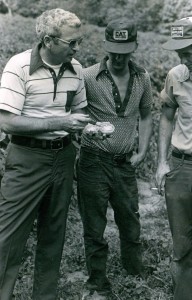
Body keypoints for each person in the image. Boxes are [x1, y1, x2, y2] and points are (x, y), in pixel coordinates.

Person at [0, 8, 91, 300]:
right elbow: (7, 121)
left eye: (79, 41)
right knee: (9, 238)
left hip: (63, 158)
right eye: (71, 43)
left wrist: (85, 125)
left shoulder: (75, 69)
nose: (77, 49)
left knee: (54, 235)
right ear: (49, 40)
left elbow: (78, 111)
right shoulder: (19, 66)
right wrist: (61, 122)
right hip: (27, 158)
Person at [78, 18, 153, 299]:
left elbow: (146, 115)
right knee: (94, 225)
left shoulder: (142, 78)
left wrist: (143, 151)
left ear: (133, 47)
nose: (119, 57)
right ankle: (97, 282)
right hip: (93, 161)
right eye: (114, 51)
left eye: (125, 51)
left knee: (130, 221)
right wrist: (87, 128)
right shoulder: (87, 77)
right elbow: (77, 113)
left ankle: (134, 270)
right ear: (106, 47)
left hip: (124, 164)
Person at [155, 16, 192, 300]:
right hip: (182, 168)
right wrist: (162, 162)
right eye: (180, 52)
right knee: (182, 245)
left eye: (189, 51)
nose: (184, 58)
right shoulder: (176, 75)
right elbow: (166, 117)